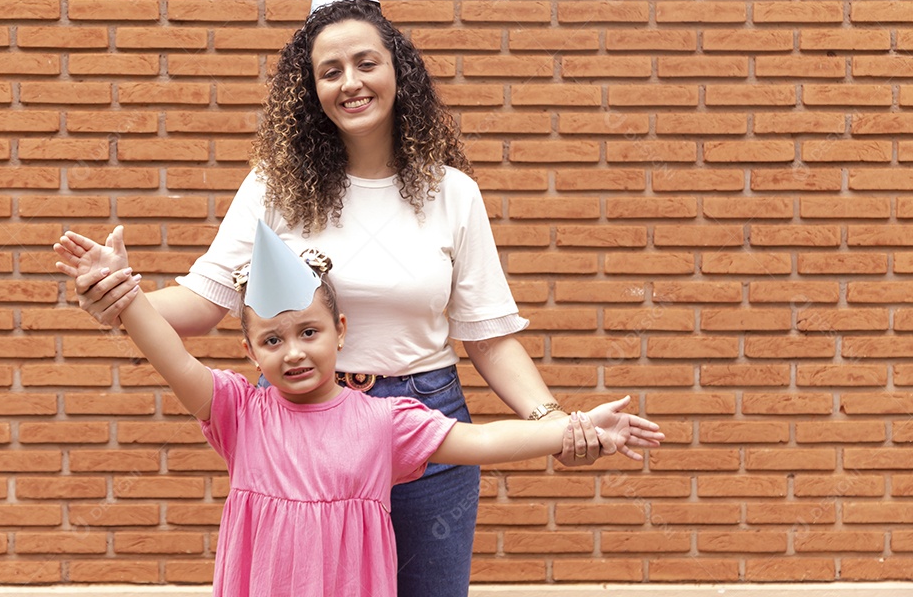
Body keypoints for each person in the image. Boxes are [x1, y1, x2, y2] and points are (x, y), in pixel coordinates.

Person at [54, 0, 664, 596]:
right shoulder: (274, 188)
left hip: (423, 418)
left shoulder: (453, 193)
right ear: (311, 89)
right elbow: (205, 303)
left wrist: (554, 423)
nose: (351, 82)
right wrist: (122, 298)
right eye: (330, 70)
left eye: (366, 63)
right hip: (301, 421)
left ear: (397, 69)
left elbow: (487, 335)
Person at [61, 220, 663, 597]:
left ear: (340, 330)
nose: (293, 352)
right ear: (249, 351)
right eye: (272, 340)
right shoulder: (239, 414)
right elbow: (172, 356)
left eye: (308, 332)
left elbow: (481, 443)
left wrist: (574, 428)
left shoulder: (384, 421)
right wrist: (127, 296)